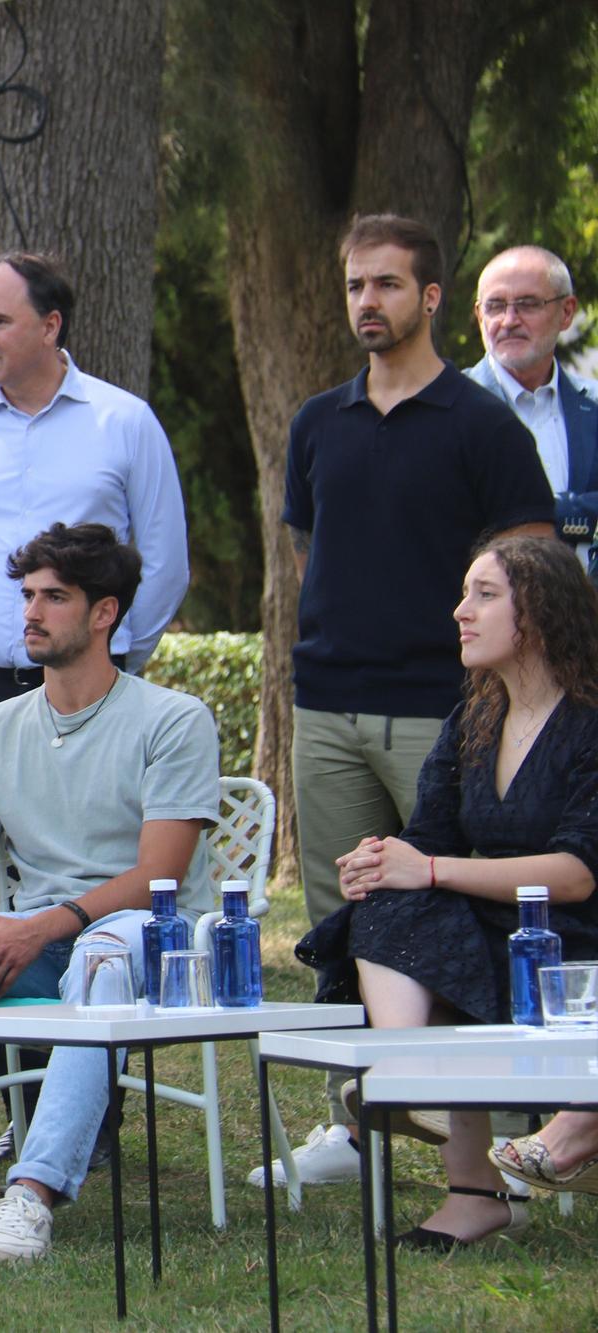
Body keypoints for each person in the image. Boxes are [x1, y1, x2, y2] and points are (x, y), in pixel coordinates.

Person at [264, 213, 558, 1189]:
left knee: (460, 920)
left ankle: (496, 1137)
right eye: (354, 285)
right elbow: (316, 559)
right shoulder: (316, 422)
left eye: (384, 285)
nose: (365, 303)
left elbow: (532, 573)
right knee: (341, 915)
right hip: (328, 709)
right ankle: (356, 1126)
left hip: (447, 712)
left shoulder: (482, 427)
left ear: (430, 297)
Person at [0, 523, 219, 1264]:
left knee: (101, 950)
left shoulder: (173, 719)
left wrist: (43, 926)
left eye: (54, 596)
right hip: (43, 936)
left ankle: (33, 1193)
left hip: (155, 941)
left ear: (104, 613)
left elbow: (159, 877)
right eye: (27, 594)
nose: (31, 611)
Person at [297, 534, 598, 1248]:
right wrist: (378, 863)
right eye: (465, 594)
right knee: (386, 909)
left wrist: (427, 870)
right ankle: (440, 1131)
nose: (461, 612)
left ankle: (413, 1081)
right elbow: (426, 838)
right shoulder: (474, 720)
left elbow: (578, 873)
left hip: (577, 938)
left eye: (485, 595)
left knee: (423, 902)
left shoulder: (589, 722)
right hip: (497, 929)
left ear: (543, 612)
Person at [0, 251, 188, 771]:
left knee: (90, 848)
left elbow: (165, 567)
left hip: (88, 692)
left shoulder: (126, 423)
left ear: (50, 326)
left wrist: (107, 656)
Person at [464, 245, 598, 576]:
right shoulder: (450, 406)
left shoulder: (593, 407)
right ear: (480, 315)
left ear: (566, 312)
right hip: (472, 618)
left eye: (527, 304)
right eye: (496, 306)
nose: (509, 321)